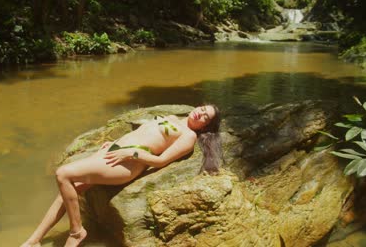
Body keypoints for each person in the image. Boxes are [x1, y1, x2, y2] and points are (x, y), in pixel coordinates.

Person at [20, 105, 222, 247]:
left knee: (63, 174)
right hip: (114, 151)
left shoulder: (188, 137)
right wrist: (115, 143)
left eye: (205, 117)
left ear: (205, 127)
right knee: (67, 191)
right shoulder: (173, 118)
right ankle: (34, 240)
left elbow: (161, 161)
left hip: (128, 162)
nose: (200, 113)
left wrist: (131, 153)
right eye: (202, 109)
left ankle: (77, 232)